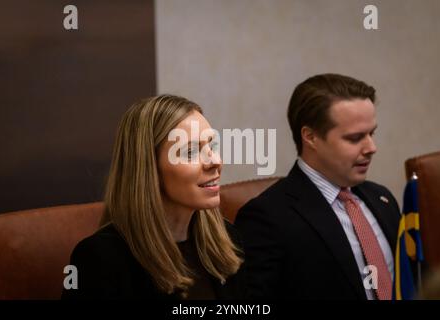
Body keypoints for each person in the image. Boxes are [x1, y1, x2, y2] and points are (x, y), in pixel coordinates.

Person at [235, 73, 400, 300]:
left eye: (372, 133)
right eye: (354, 138)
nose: (371, 147)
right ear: (310, 137)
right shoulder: (267, 219)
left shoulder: (382, 199)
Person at [62, 94, 244, 299]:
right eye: (191, 151)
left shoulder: (227, 238)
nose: (215, 161)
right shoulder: (99, 258)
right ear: (149, 168)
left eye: (212, 145)